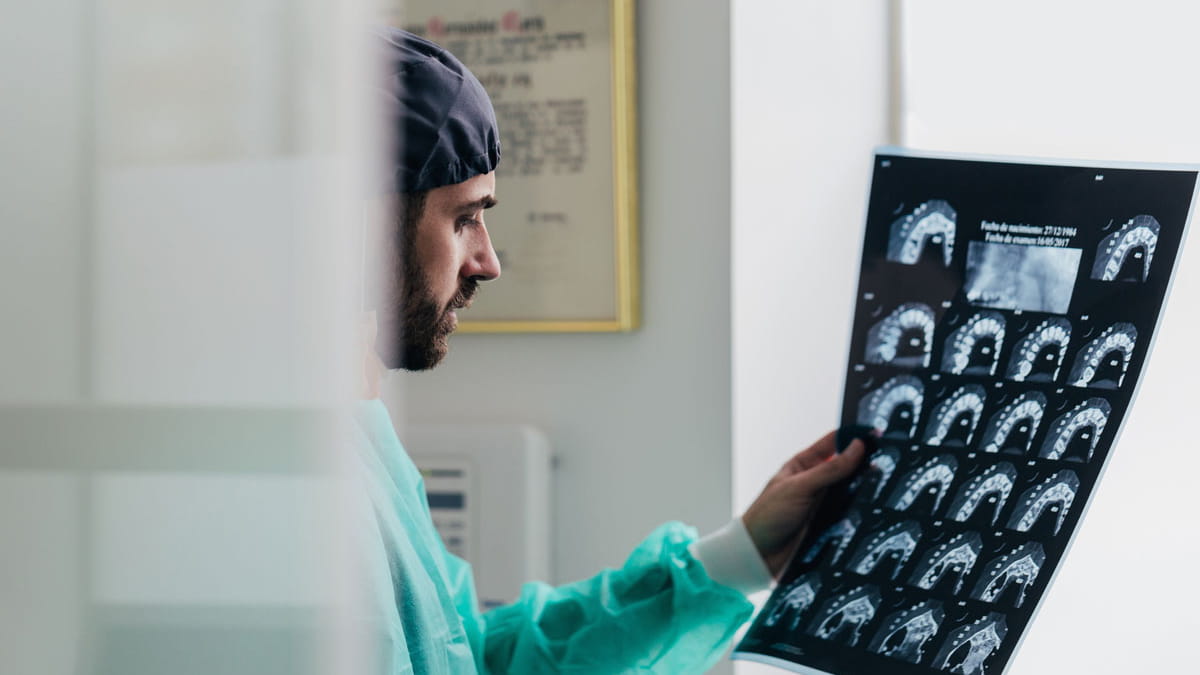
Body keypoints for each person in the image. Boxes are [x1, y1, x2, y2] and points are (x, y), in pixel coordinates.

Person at [353, 27, 868, 674]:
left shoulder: (360, 436)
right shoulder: (287, 487)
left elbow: (476, 656)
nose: (487, 261)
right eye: (463, 219)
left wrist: (744, 553)